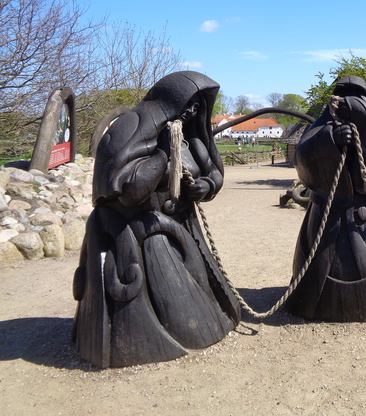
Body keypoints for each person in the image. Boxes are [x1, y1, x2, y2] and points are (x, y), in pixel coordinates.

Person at [72, 71, 240, 368]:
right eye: (187, 103)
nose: (191, 111)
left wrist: (206, 185)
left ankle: (203, 323)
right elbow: (128, 192)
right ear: (170, 101)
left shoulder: (190, 141)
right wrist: (163, 152)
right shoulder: (130, 129)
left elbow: (212, 172)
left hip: (184, 228)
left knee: (198, 285)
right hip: (141, 233)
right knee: (171, 297)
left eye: (198, 106)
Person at [288, 76, 366, 322]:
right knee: (319, 266)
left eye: (357, 96)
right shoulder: (324, 124)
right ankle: (314, 303)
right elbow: (302, 156)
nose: (347, 101)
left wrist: (361, 114)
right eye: (343, 95)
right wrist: (331, 138)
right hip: (328, 211)